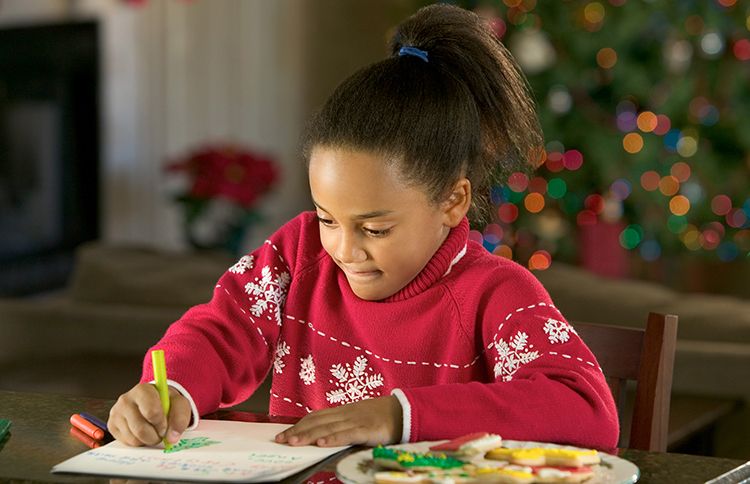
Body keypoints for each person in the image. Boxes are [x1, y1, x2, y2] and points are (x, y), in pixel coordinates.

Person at [108, 4, 619, 451]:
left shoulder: (495, 294)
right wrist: (169, 389)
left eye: (374, 229)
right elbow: (224, 330)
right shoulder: (299, 252)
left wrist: (399, 417)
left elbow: (585, 408)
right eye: (329, 218)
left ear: (452, 201)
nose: (343, 250)